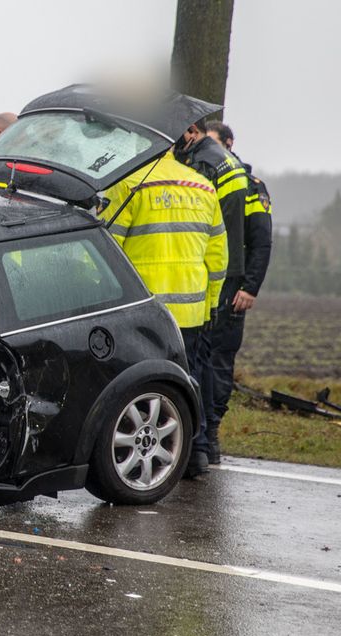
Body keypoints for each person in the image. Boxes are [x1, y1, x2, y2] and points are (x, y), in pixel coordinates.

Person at [100, 149, 227, 478]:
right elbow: (218, 258)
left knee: (141, 384)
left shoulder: (130, 185)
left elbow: (107, 249)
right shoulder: (203, 187)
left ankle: (145, 457)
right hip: (191, 308)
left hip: (145, 312)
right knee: (191, 378)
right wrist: (210, 303)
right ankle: (196, 453)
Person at [172, 121, 249, 475]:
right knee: (203, 364)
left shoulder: (201, 167)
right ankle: (202, 447)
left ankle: (196, 447)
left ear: (190, 131)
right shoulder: (226, 161)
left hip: (194, 285)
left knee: (194, 367)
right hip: (214, 279)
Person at [202, 121, 273, 464]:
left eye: (215, 145)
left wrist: (250, 287)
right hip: (204, 281)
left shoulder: (251, 188)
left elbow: (262, 241)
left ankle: (211, 432)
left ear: (229, 144)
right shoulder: (202, 179)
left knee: (219, 360)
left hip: (234, 286)